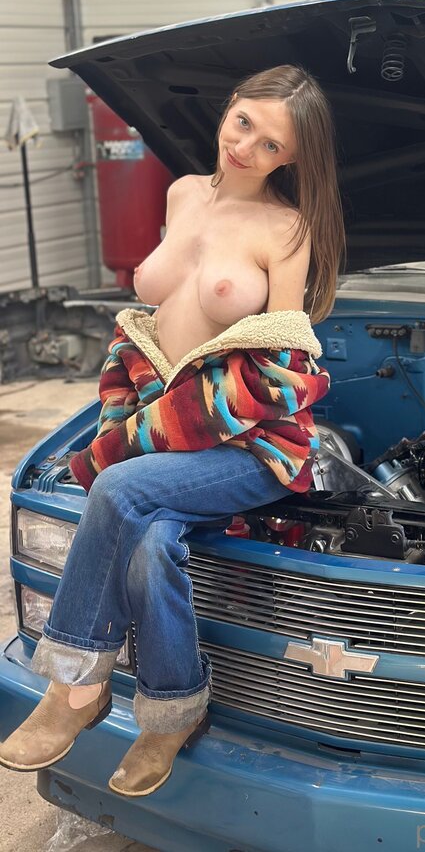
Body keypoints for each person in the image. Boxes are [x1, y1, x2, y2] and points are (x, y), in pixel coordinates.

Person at [0, 64, 345, 797]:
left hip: (250, 445)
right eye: (244, 122)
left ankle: (73, 685)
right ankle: (173, 710)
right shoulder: (182, 193)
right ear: (229, 106)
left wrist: (147, 435)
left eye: (272, 145)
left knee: (119, 489)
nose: (246, 147)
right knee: (150, 541)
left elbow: (285, 366)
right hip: (164, 429)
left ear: (292, 159)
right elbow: (157, 325)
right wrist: (139, 417)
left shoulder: (289, 228)